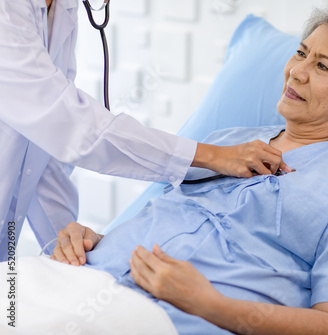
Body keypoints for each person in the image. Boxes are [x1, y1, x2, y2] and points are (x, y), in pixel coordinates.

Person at [7, 1, 328, 334]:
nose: (297, 72)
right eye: (301, 52)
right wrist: (89, 239)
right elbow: (60, 122)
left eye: (323, 66)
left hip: (149, 317)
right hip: (71, 281)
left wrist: (208, 303)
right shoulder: (227, 142)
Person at [0, 0, 289, 261]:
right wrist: (210, 156)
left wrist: (66, 248)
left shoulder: (62, 7)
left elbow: (43, 147)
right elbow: (69, 122)